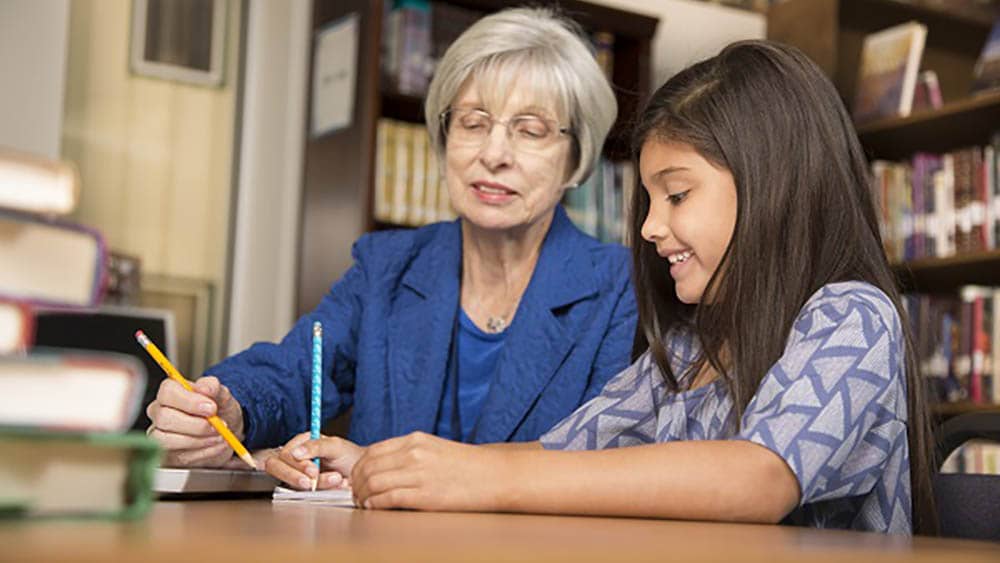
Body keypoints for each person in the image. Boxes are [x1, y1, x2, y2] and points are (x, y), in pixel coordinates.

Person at [265, 40, 937, 535]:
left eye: (675, 194)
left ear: (774, 188)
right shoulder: (687, 348)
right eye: (648, 200)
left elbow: (756, 476)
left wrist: (476, 476)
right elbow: (561, 451)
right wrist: (399, 465)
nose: (650, 227)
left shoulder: (853, 316)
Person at [144, 7, 636, 469]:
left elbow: (605, 462)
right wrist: (228, 408)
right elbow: (295, 372)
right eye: (473, 122)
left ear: (577, 160)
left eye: (530, 130)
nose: (494, 153)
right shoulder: (389, 266)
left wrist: (390, 470)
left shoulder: (620, 289)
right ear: (443, 140)